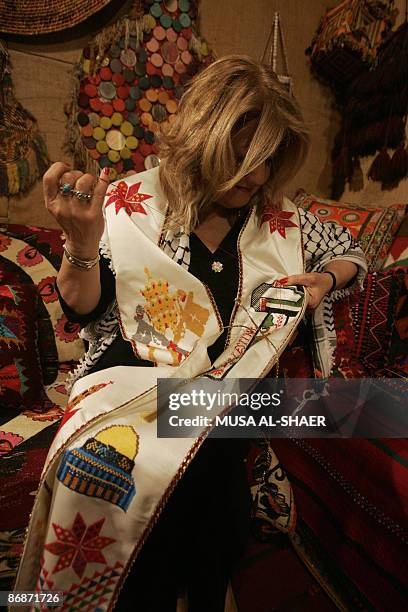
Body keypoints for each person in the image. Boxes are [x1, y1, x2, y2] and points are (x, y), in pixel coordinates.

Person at [13, 55, 366, 612]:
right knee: (129, 464)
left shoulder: (277, 216)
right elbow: (83, 308)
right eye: (243, 158)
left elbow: (352, 252)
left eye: (269, 160)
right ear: (204, 139)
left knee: (209, 456)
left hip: (218, 393)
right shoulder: (131, 204)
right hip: (126, 387)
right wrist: (81, 245)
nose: (257, 177)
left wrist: (323, 278)